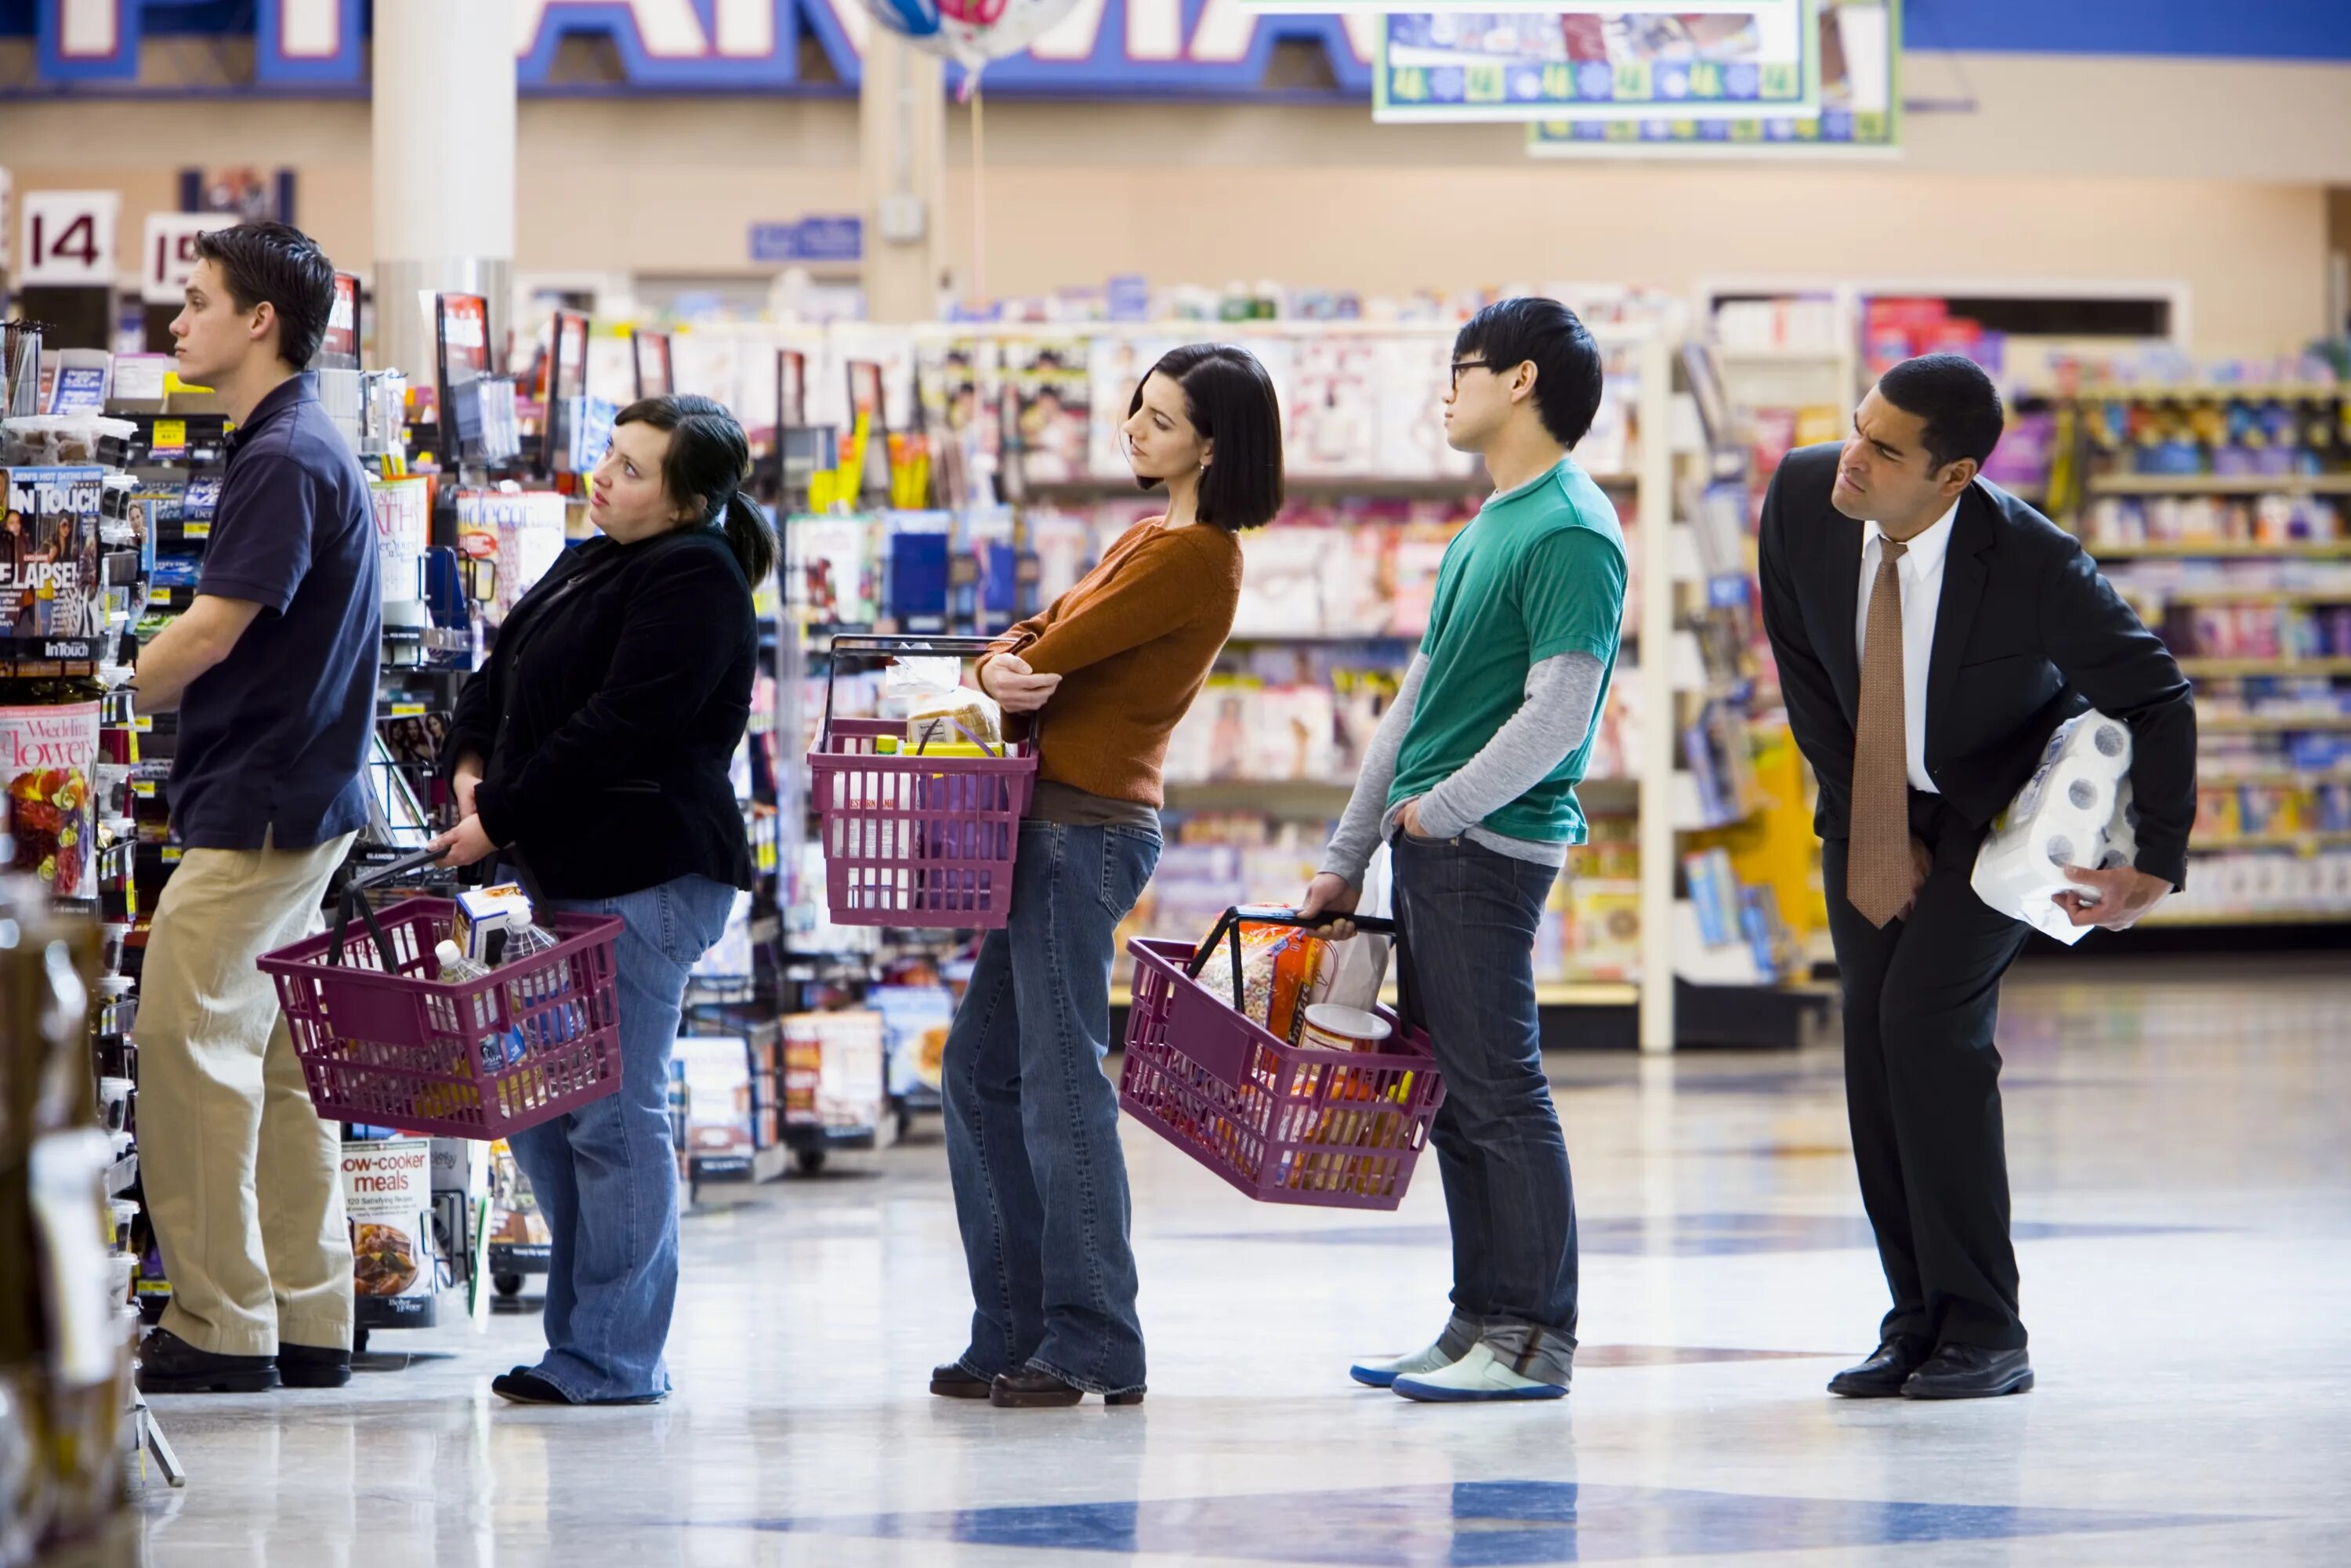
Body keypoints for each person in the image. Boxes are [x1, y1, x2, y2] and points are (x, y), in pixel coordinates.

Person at [1757, 353, 2193, 1400]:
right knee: (1871, 1039)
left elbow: (2158, 696)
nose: (1852, 458)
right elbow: (1803, 665)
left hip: (1992, 814)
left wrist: (2156, 864)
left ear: (1952, 476)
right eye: (1857, 427)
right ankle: (1915, 1319)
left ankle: (1987, 1326)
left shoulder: (2036, 562)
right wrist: (1873, 814)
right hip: (1869, 801)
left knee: (1926, 1023)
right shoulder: (1802, 498)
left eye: (1885, 449)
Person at [934, 343, 1283, 1409]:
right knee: (981, 1070)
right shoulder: (1146, 536)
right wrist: (1000, 662)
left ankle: (1091, 1339)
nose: (1135, 427)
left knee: (1057, 1078)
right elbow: (1029, 642)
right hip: (1047, 823)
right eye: (1139, 406)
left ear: (1215, 447)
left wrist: (1005, 664)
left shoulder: (1197, 555)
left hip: (1082, 828)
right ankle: (1015, 1326)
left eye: (1163, 420)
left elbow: (1059, 647)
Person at [1300, 297, 1626, 1404]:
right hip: (1433, 845)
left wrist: (1443, 812)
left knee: (1499, 1088)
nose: (1447, 391)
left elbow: (1560, 714)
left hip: (1489, 847)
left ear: (1522, 380)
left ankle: (1536, 1334)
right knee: (1454, 1093)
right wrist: (1351, 849)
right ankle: (1480, 1318)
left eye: (1461, 369)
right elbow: (1418, 702)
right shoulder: (1489, 523)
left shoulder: (1572, 528)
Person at [430, 395, 769, 1407]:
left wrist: (499, 815)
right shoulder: (597, 554)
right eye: (609, 456)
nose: (605, 478)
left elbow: (619, 725)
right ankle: (579, 1339)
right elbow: (504, 666)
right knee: (544, 1111)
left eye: (631, 469)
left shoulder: (697, 579)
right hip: (562, 868)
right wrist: (471, 770)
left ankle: (614, 1353)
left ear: (690, 500)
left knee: (613, 1116)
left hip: (649, 871)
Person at [132, 223, 383, 1396]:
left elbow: (215, 629)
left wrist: (96, 684)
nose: (177, 323)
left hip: (261, 804)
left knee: (185, 1049)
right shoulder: (298, 443)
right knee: (276, 1062)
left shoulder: (283, 455)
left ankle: (221, 1322)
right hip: (304, 796)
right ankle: (307, 1306)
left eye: (194, 302)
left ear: (258, 321)